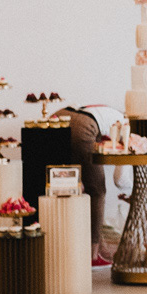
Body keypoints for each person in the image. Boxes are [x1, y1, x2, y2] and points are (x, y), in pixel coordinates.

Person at [66, 105, 111, 267]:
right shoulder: (125, 125)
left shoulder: (106, 111)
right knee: (98, 190)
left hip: (62, 116)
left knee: (66, 185)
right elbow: (121, 180)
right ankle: (93, 255)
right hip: (84, 126)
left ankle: (70, 249)